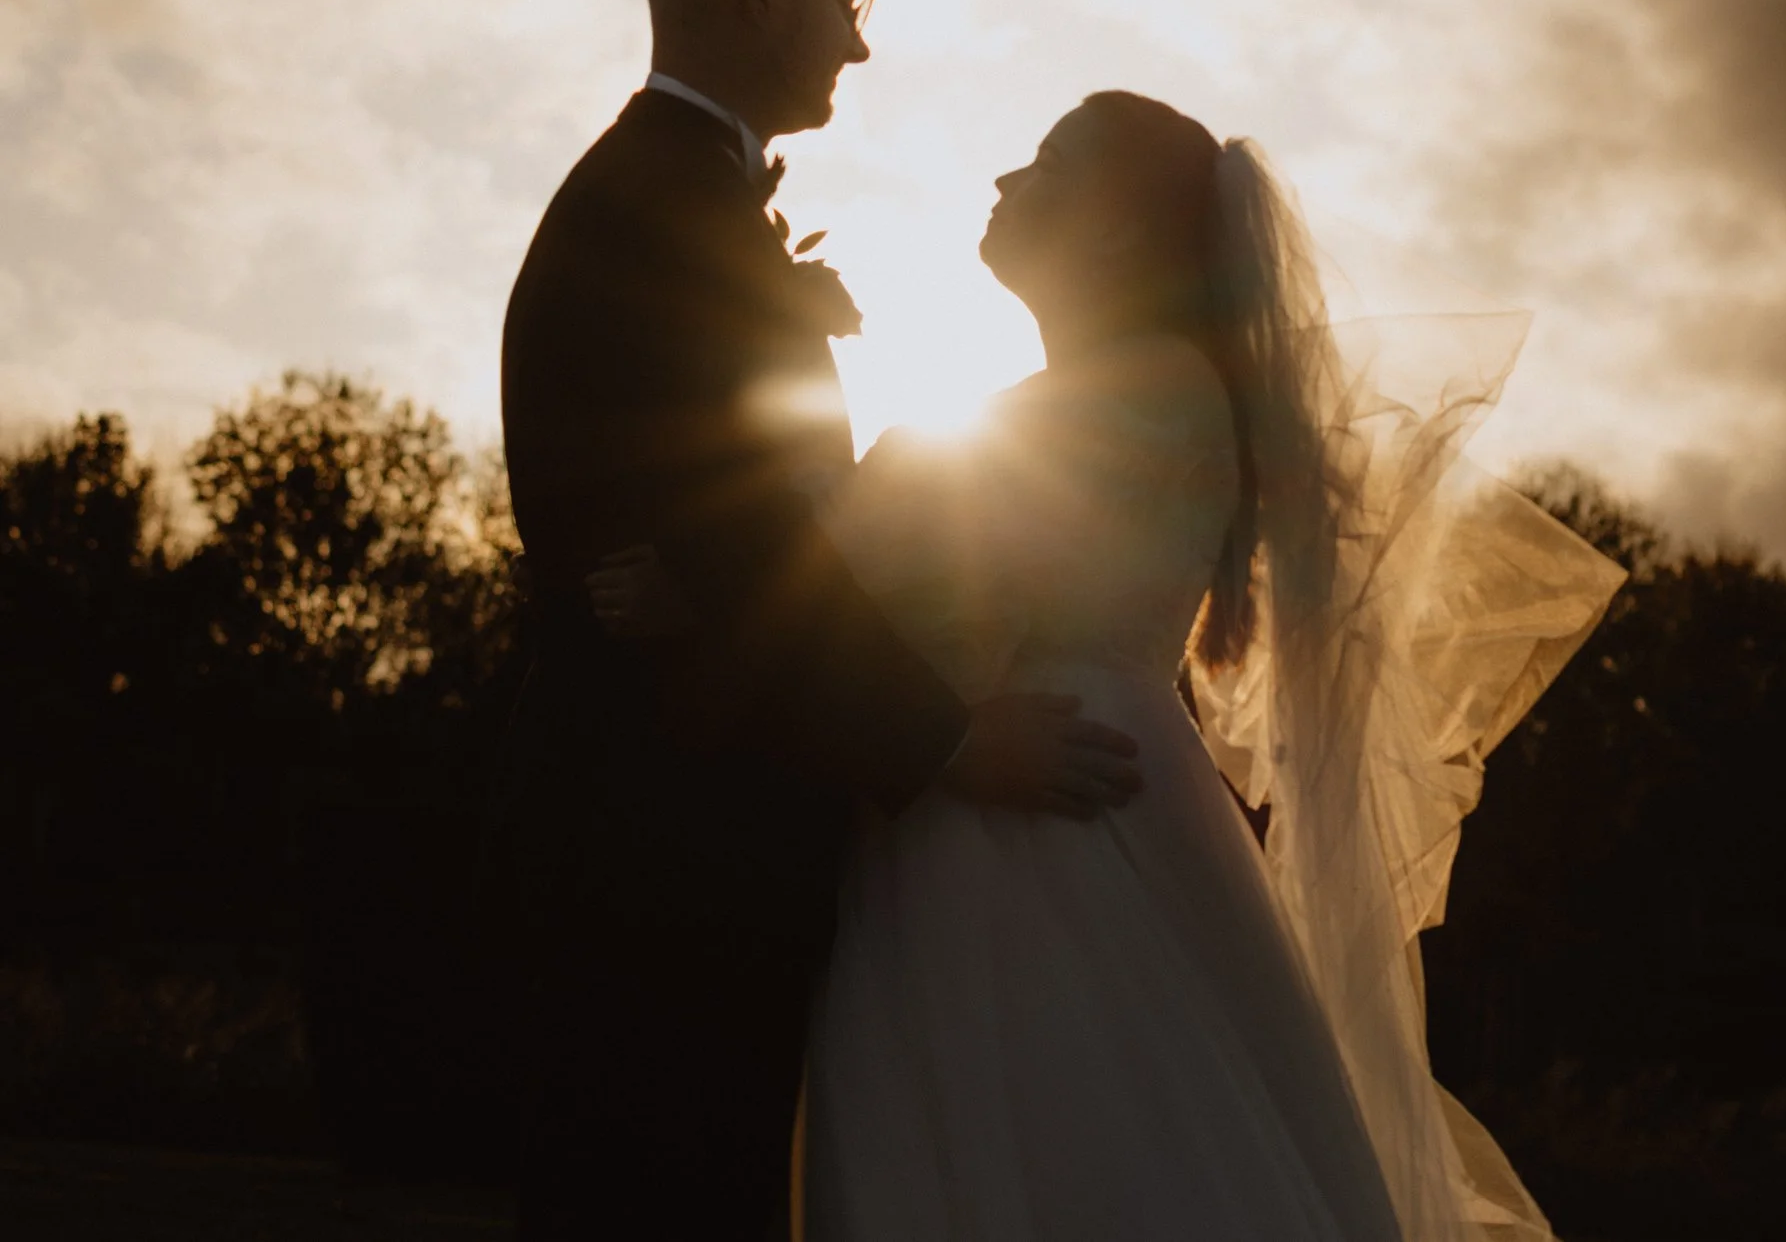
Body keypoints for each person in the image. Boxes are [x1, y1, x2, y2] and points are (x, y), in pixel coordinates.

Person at [597, 89, 1625, 1240]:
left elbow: (921, 561)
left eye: (1046, 163)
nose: (1005, 181)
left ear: (1119, 229)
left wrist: (711, 576)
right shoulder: (1142, 388)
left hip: (1045, 811)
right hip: (1046, 780)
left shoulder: (1151, 391)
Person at [497, 0, 1141, 1241]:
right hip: (674, 844)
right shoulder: (666, 211)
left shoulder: (678, 196)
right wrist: (950, 737)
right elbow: (740, 533)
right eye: (847, 3)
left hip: (677, 818)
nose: (859, 45)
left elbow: (725, 523)